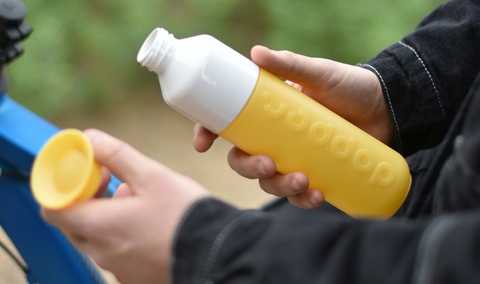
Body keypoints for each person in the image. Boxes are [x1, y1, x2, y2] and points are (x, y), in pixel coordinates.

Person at [42, 0, 480, 283]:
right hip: (438, 180)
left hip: (426, 249)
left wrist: (208, 248)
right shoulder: (182, 78)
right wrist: (394, 92)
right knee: (307, 202)